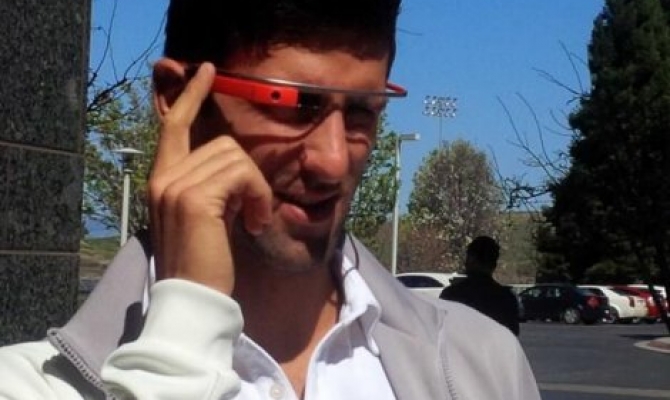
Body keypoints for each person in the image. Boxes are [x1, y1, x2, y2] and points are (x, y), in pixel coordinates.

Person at [0, 1, 540, 399]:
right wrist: (183, 333)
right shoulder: (29, 385)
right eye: (294, 105)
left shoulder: (480, 365)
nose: (333, 160)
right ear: (178, 98)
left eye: (362, 111)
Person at [440, 236, 521, 336]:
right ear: (494, 265)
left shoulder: (452, 295)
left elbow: (440, 333)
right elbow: (512, 336)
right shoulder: (506, 299)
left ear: (471, 259)